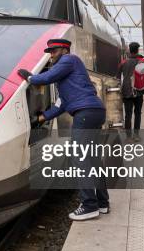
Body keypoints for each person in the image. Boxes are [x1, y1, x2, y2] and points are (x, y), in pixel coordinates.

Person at [17, 39, 108, 221]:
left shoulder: (69, 60)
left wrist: (30, 78)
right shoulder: (69, 79)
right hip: (94, 111)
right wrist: (40, 118)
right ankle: (102, 202)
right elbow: (61, 105)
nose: (51, 55)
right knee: (92, 158)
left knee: (80, 157)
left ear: (64, 50)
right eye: (49, 52)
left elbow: (47, 77)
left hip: (85, 113)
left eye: (54, 51)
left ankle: (89, 205)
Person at [118, 42, 144, 141]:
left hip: (126, 90)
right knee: (137, 113)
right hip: (139, 90)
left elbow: (117, 77)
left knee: (128, 114)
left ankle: (128, 137)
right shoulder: (143, 62)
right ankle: (136, 135)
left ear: (129, 50)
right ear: (137, 50)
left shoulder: (123, 62)